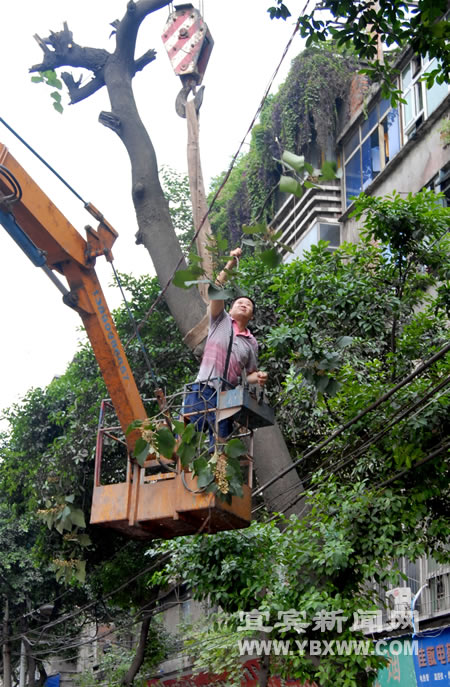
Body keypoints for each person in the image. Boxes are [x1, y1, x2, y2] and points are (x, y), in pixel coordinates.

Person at [183, 248, 268, 447]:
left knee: (220, 449)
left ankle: (216, 477)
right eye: (239, 302)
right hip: (202, 388)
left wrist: (260, 377)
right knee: (187, 440)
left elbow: (248, 375)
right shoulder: (220, 320)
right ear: (230, 308)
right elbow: (216, 288)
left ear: (252, 316)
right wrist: (230, 263)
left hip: (226, 398)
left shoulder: (251, 342)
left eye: (248, 304)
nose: (243, 304)